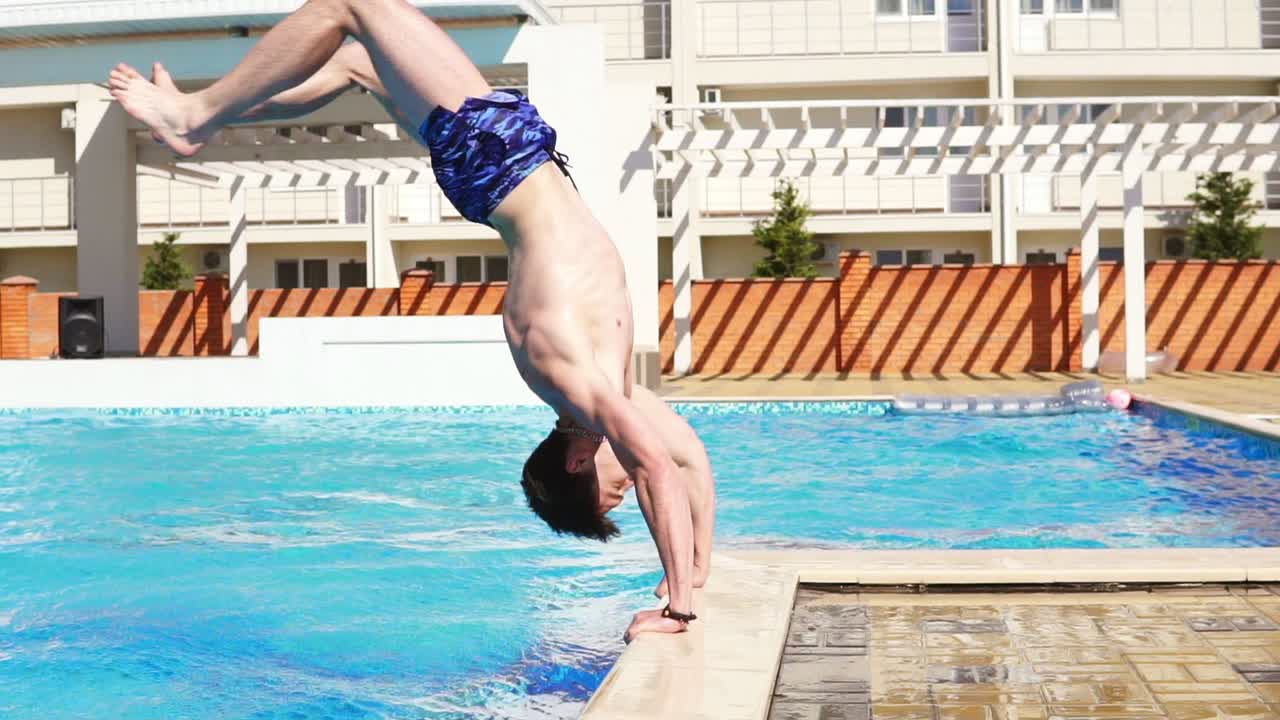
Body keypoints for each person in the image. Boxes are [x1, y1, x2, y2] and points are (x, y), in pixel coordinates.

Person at [107, 0, 699, 638]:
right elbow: (688, 463)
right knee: (354, 64)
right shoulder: (598, 390)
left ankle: (194, 117)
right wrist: (689, 580)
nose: (628, 486)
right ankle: (210, 115)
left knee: (349, 6)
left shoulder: (579, 388)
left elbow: (656, 471)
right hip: (509, 160)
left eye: (614, 497)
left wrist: (680, 608)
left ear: (579, 466)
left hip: (499, 159)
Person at [522, 385, 716, 643]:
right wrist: (696, 564)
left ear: (578, 463)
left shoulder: (591, 396)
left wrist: (684, 597)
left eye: (616, 488)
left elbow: (684, 455)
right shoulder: (583, 400)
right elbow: (687, 455)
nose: (628, 486)